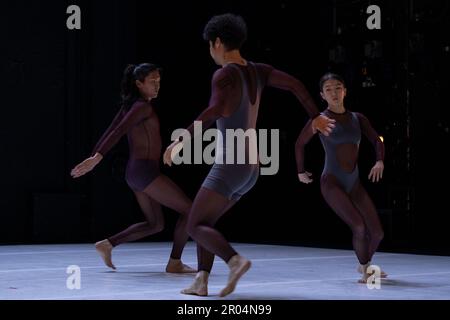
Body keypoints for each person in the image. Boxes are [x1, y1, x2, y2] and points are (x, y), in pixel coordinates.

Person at [163, 14, 336, 296]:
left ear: (217, 43)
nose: (210, 52)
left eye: (210, 46)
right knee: (205, 223)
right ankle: (201, 281)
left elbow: (216, 110)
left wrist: (181, 139)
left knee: (194, 225)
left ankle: (234, 261)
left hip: (230, 165)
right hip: (251, 169)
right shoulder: (258, 70)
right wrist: (315, 116)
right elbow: (295, 85)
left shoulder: (224, 74)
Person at [71, 63, 196, 273]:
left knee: (155, 224)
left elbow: (111, 129)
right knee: (191, 211)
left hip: (136, 173)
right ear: (139, 83)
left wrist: (95, 155)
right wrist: (96, 158)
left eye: (159, 81)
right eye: (152, 82)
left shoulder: (131, 106)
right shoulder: (142, 107)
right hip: (145, 173)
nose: (157, 86)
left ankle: (108, 244)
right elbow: (118, 131)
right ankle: (175, 261)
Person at [295, 72, 387, 283]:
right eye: (328, 89)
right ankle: (366, 270)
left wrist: (379, 160)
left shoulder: (358, 119)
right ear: (322, 95)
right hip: (332, 183)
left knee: (378, 233)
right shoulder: (320, 120)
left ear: (345, 91)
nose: (334, 93)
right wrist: (301, 171)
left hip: (353, 183)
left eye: (338, 88)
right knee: (359, 226)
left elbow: (377, 140)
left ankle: (364, 264)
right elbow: (299, 144)